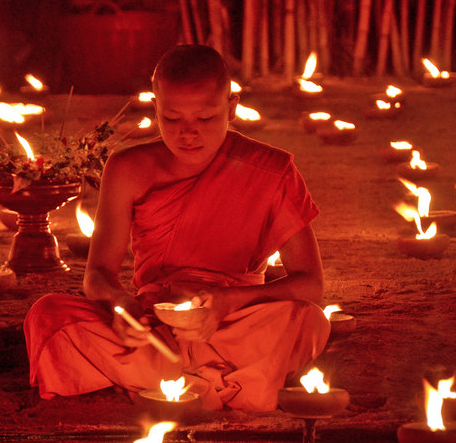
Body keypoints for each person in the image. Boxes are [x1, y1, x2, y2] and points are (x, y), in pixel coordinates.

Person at [24, 44, 330, 412]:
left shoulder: (271, 170)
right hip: (154, 324)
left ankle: (163, 381)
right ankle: (226, 383)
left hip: (236, 320)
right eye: (172, 119)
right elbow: (98, 274)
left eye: (205, 118)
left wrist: (225, 303)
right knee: (47, 315)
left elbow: (310, 285)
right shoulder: (127, 168)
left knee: (306, 321)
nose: (188, 134)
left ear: (231, 108)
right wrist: (122, 307)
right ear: (155, 108)